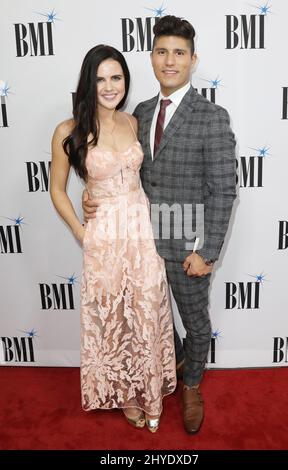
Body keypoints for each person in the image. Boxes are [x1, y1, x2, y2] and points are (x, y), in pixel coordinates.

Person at [83, 16, 237, 435]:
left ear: (192, 59)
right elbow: (124, 170)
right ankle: (171, 363)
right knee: (150, 321)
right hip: (139, 244)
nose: (170, 61)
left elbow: (223, 191)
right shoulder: (140, 113)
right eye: (162, 51)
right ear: (152, 57)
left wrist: (207, 252)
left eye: (179, 53)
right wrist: (91, 192)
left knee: (194, 319)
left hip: (187, 243)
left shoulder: (211, 116)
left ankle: (190, 385)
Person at [50, 44, 176, 433]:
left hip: (141, 230)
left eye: (116, 77)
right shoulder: (68, 131)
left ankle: (150, 389)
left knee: (145, 309)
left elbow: (139, 179)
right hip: (104, 235)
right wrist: (80, 228)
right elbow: (56, 189)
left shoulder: (133, 122)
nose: (109, 86)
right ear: (89, 82)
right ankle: (125, 394)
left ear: (125, 80)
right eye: (100, 78)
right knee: (114, 315)